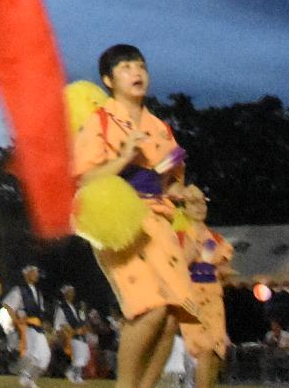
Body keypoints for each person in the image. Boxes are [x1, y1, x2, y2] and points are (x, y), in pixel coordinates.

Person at [72, 45, 196, 388]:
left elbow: (171, 177)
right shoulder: (99, 121)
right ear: (108, 80)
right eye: (126, 67)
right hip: (120, 221)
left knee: (172, 316)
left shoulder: (161, 128)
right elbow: (85, 178)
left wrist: (177, 192)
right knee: (149, 308)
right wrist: (125, 157)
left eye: (141, 65)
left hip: (159, 220)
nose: (137, 72)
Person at [180, 192, 233, 388]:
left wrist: (223, 272)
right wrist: (189, 256)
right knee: (203, 347)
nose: (200, 207)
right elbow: (174, 268)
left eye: (202, 203)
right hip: (192, 295)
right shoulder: (180, 235)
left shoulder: (216, 238)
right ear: (184, 208)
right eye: (194, 204)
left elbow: (223, 267)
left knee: (214, 350)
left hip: (213, 296)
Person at [0, 264, 50, 388]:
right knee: (33, 354)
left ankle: (27, 376)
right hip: (27, 327)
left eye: (37, 272)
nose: (36, 274)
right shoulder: (19, 290)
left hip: (37, 327)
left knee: (45, 356)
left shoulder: (38, 293)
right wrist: (16, 320)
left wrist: (45, 324)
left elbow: (40, 312)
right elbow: (8, 305)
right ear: (26, 274)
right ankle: (27, 378)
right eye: (34, 272)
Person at [55, 286, 89, 383]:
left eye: (73, 291)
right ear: (65, 294)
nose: (73, 293)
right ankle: (71, 373)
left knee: (85, 355)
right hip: (71, 335)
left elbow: (82, 319)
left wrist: (83, 310)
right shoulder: (62, 308)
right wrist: (71, 331)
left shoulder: (76, 306)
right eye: (70, 291)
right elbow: (59, 323)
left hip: (80, 334)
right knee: (79, 355)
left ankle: (77, 375)